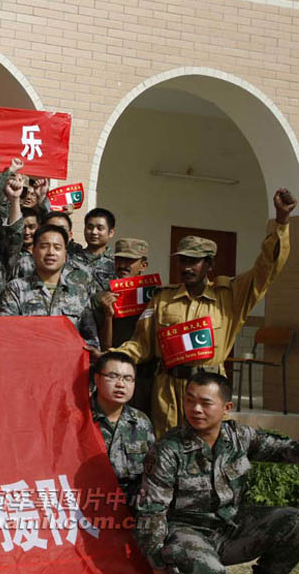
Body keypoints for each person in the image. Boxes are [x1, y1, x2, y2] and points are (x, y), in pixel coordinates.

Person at [115, 188, 294, 437]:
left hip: (209, 391)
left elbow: (267, 269)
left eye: (194, 261)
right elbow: (141, 344)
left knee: (208, 449)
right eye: (183, 260)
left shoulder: (230, 296)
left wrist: (281, 222)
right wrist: (112, 358)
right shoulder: (162, 298)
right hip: (168, 392)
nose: (187, 267)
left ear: (210, 264)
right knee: (167, 448)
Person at [136, 372, 299, 574]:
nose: (196, 409)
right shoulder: (168, 449)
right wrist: (157, 563)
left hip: (231, 527)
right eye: (190, 400)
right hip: (187, 533)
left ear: (226, 408)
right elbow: (152, 511)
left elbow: (285, 449)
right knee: (212, 570)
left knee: (294, 522)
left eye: (205, 403)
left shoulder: (239, 437)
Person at [0, 224, 101, 350]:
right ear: (34, 252)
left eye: (57, 247)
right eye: (44, 246)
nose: (51, 252)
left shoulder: (79, 292)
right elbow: (4, 335)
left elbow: (91, 340)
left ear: (65, 255)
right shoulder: (16, 289)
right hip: (28, 358)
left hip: (69, 360)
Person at [96, 238, 154, 414]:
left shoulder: (155, 297)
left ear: (143, 265)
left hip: (145, 375)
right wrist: (108, 315)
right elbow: (105, 346)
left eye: (130, 261)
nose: (123, 265)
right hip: (114, 373)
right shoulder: (102, 297)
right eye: (119, 260)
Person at [90, 351, 154, 506]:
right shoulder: (77, 419)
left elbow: (152, 472)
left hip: (130, 506)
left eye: (128, 379)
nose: (120, 384)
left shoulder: (141, 421)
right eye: (113, 377)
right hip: (86, 501)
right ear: (97, 379)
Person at [71, 207, 116, 290]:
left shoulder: (116, 263)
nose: (94, 232)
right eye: (90, 227)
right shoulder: (71, 257)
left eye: (100, 228)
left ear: (111, 233)